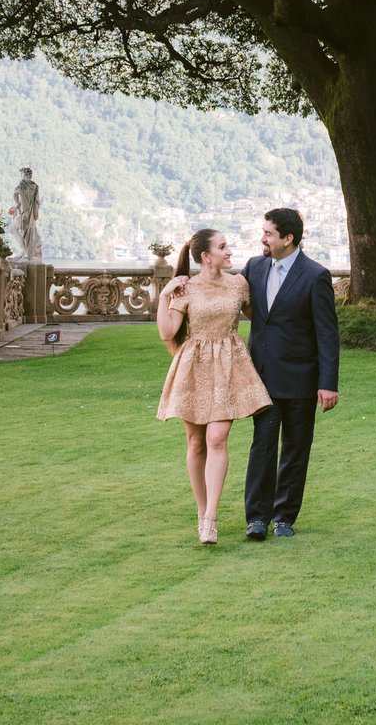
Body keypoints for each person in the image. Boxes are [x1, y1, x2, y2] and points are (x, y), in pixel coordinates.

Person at [163, 207, 339, 541]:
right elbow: (222, 301)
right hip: (261, 376)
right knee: (263, 446)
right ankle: (256, 518)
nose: (262, 238)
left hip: (302, 376)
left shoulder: (315, 275)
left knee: (296, 448)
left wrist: (327, 383)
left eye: (268, 233)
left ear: (287, 239)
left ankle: (284, 517)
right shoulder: (253, 270)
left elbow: (327, 334)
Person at [156, 227, 272, 544]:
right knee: (196, 443)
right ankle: (201, 511)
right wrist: (166, 294)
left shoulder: (238, 283)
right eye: (223, 247)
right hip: (194, 365)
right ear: (207, 256)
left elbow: (262, 317)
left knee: (217, 437)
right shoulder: (187, 288)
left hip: (229, 364)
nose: (229, 251)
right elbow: (168, 333)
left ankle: (210, 519)